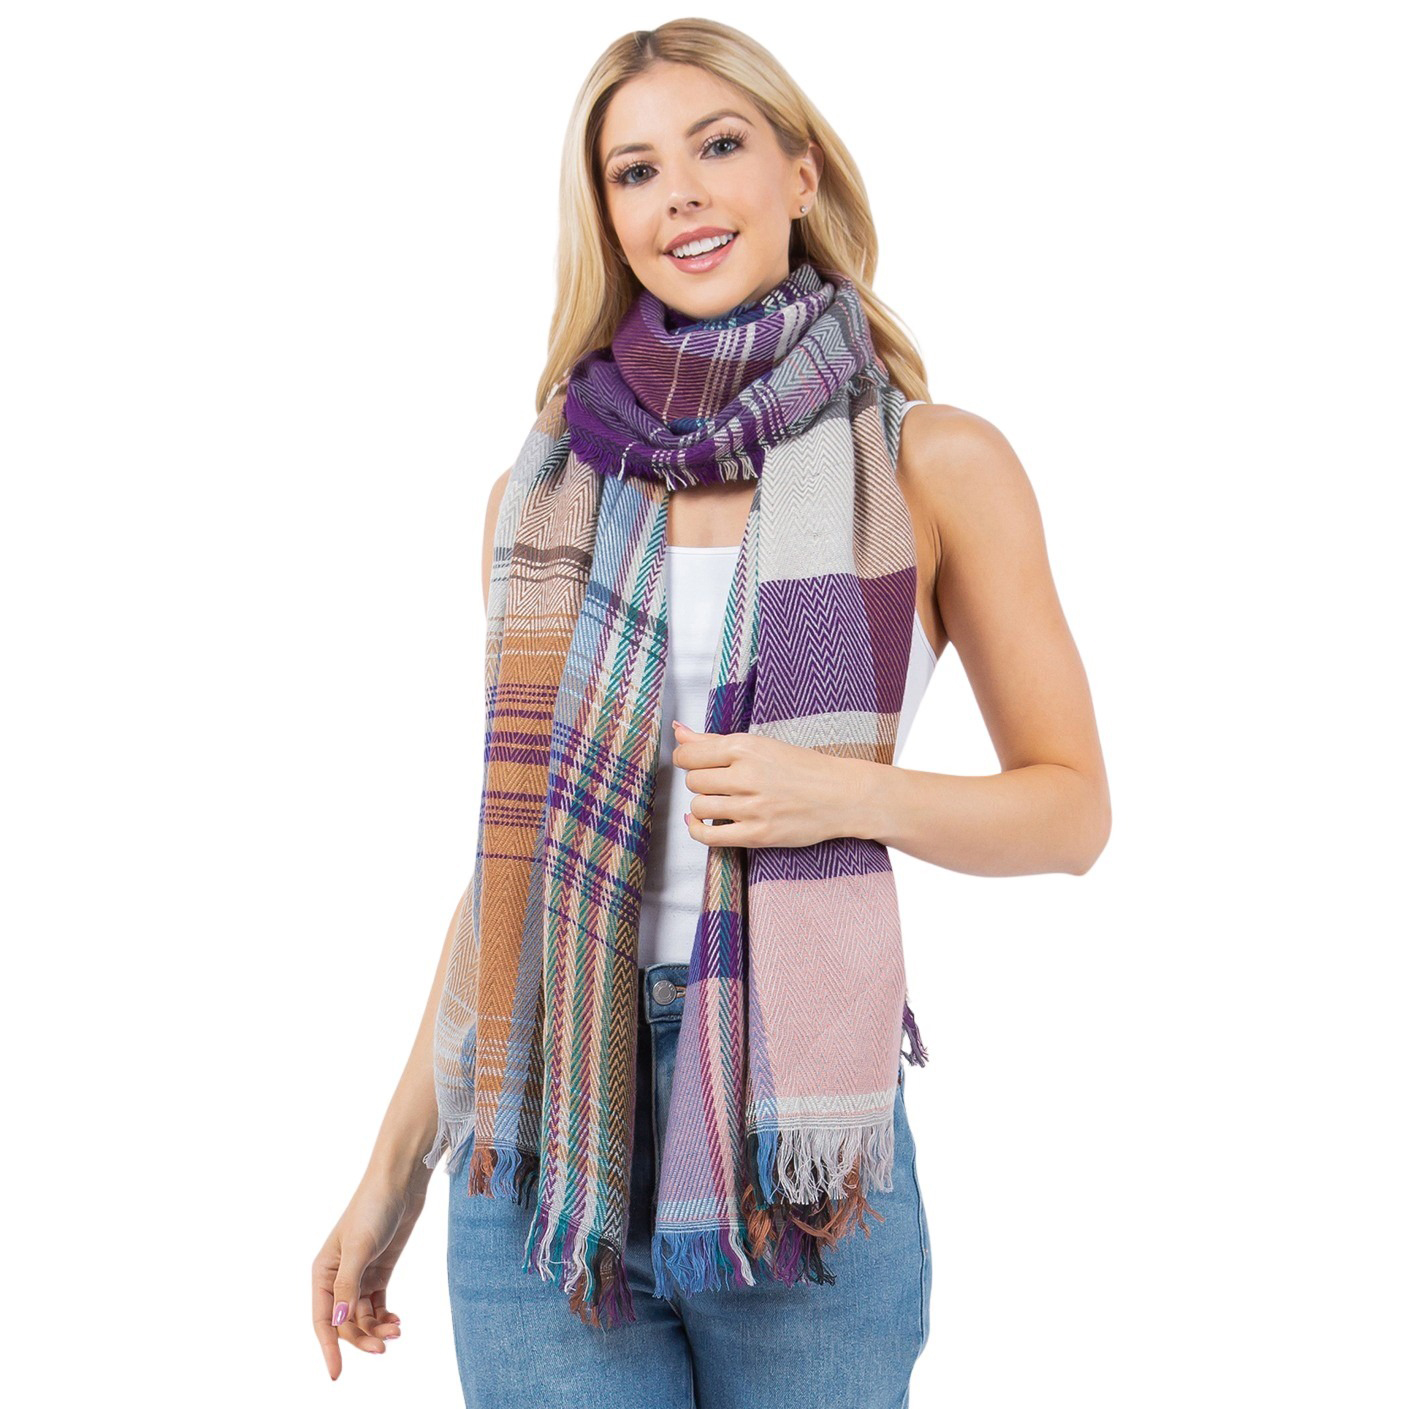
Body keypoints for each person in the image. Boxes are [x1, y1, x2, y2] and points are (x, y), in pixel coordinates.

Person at [312, 18, 1111, 1405]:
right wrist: (391, 1171)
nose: (677, 193)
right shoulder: (537, 496)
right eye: (634, 171)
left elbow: (1070, 811)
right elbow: (513, 866)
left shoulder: (930, 463)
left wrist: (841, 794)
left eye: (718, 146)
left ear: (801, 175)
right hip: (541, 1115)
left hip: (790, 1127)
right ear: (608, 217)